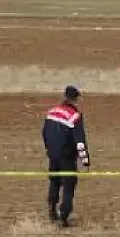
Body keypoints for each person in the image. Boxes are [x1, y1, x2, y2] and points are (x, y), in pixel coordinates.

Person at [42, 85, 91, 227]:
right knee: (69, 184)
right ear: (76, 99)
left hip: (53, 155)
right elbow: (80, 142)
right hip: (67, 157)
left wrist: (49, 150)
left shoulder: (51, 112)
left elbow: (44, 133)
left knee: (55, 181)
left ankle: (52, 211)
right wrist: (85, 162)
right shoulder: (75, 117)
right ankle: (63, 217)